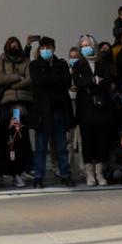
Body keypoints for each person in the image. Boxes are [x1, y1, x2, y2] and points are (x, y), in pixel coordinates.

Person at [27, 37, 74, 187]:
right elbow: (38, 82)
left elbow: (67, 82)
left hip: (59, 111)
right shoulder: (35, 65)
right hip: (42, 112)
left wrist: (49, 79)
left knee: (61, 147)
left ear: (53, 48)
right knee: (40, 147)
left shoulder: (61, 64)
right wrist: (55, 80)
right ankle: (38, 176)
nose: (46, 50)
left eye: (49, 47)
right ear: (39, 49)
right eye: (43, 48)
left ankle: (65, 174)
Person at [72, 38, 116, 186]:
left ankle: (99, 173)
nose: (85, 48)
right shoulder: (78, 65)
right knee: (87, 141)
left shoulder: (103, 63)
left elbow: (107, 82)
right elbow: (79, 83)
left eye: (87, 45)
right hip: (85, 109)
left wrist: (92, 83)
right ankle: (89, 173)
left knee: (101, 140)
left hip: (102, 108)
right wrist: (94, 80)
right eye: (83, 46)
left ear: (93, 46)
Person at [0, 37, 31, 186]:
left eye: (16, 46)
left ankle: (17, 172)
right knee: (4, 139)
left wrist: (12, 85)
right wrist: (17, 77)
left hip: (20, 104)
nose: (14, 48)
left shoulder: (26, 61)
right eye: (11, 46)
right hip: (5, 104)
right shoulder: (1, 60)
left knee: (17, 139)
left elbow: (29, 79)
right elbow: (0, 79)